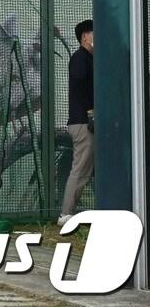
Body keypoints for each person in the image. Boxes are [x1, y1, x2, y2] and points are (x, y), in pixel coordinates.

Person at [61, 19, 95, 224]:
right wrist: (90, 113)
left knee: (87, 168)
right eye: (94, 34)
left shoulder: (90, 59)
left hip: (87, 120)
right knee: (80, 169)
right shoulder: (80, 58)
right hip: (83, 122)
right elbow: (82, 86)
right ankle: (66, 214)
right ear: (85, 36)